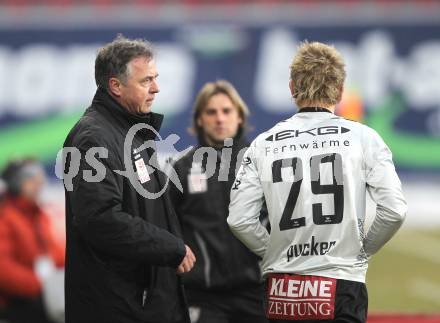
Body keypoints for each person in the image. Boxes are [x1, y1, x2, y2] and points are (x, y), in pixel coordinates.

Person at [227, 42, 407, 323]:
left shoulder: (263, 143)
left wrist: (275, 251)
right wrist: (360, 253)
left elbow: (239, 219)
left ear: (291, 88)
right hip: (340, 280)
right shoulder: (364, 138)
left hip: (282, 285)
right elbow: (394, 210)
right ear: (339, 90)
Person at [62, 36, 195, 323]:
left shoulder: (130, 133)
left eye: (155, 78)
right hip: (118, 305)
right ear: (115, 86)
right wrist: (169, 247)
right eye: (146, 81)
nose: (156, 88)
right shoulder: (93, 139)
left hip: (143, 302)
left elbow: (146, 209)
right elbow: (99, 218)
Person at [168, 80, 268, 323]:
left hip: (259, 293)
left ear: (240, 117)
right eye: (211, 112)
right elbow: (167, 230)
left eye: (227, 111)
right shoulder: (181, 169)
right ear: (200, 119)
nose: (220, 119)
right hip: (203, 297)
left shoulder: (264, 163)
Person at [0, 158, 65, 323]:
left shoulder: (36, 213)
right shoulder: (5, 217)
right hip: (18, 304)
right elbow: (4, 270)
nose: (39, 183)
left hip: (39, 297)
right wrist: (40, 284)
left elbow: (52, 252)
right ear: (15, 183)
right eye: (31, 178)